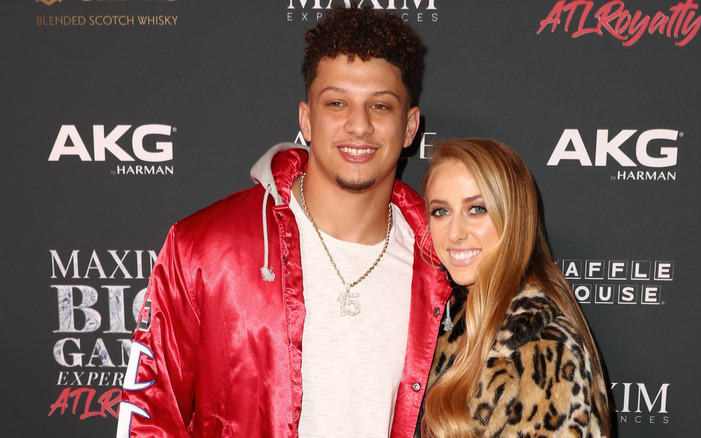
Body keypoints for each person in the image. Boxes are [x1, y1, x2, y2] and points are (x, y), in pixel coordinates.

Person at [116, 7, 452, 438]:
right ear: (306, 119)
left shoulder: (445, 263)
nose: (359, 125)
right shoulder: (205, 248)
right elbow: (149, 412)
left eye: (380, 106)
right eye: (337, 103)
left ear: (409, 127)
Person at [417, 138, 611, 437]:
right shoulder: (453, 321)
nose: (454, 233)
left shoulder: (543, 349)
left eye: (477, 208)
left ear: (514, 215)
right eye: (441, 211)